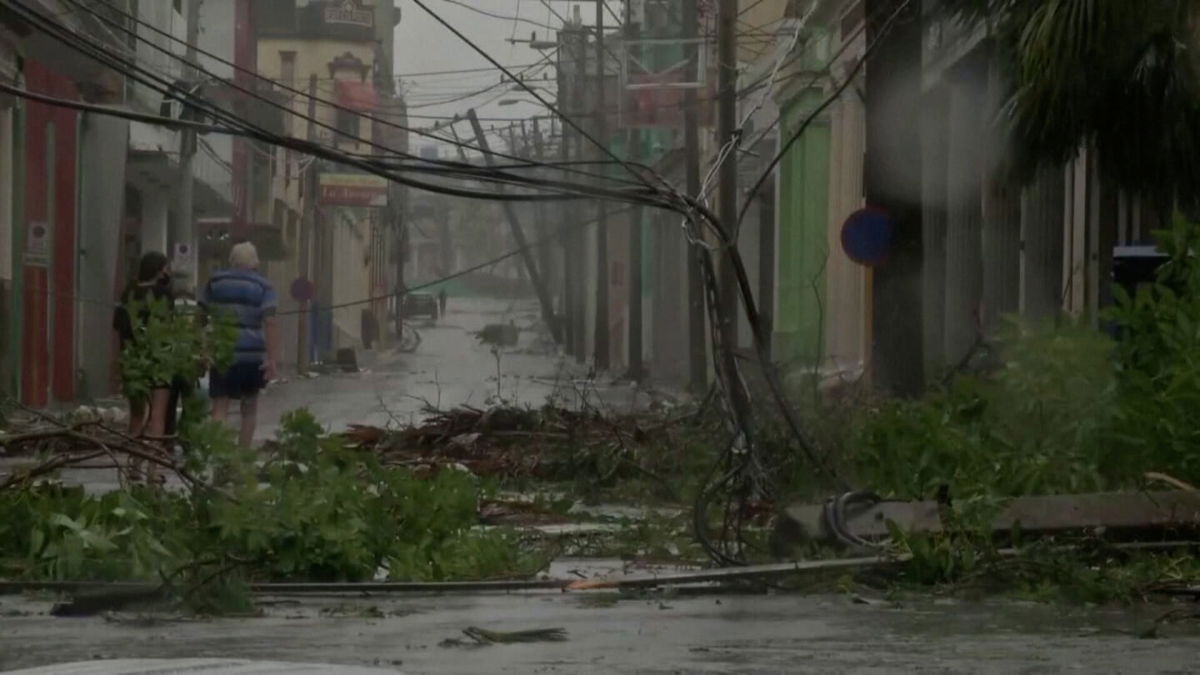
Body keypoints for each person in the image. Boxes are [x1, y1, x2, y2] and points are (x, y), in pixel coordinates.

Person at [201, 242, 279, 448]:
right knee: (249, 408)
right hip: (251, 357)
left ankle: (217, 456)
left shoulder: (215, 281)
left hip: (223, 353)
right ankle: (242, 460)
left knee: (219, 405)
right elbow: (270, 322)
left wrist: (202, 349)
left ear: (232, 260)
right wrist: (271, 359)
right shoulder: (264, 286)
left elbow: (200, 315)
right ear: (254, 262)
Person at [112, 251, 174, 482]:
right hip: (159, 359)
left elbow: (119, 329)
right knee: (157, 415)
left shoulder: (128, 293)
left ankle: (133, 466)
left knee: (136, 415)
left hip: (133, 359)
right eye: (167, 268)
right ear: (160, 270)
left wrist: (123, 360)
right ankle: (153, 470)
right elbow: (169, 325)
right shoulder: (164, 295)